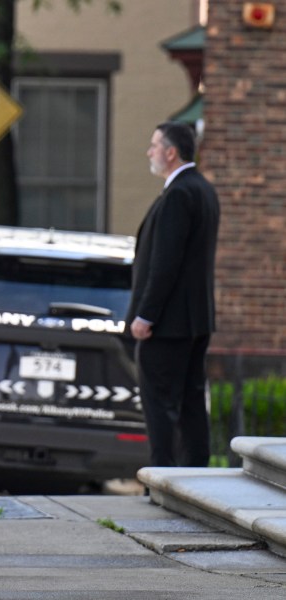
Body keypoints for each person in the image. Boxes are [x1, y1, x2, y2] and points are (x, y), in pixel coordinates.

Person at [127, 121, 220, 468]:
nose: (149, 152)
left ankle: (161, 478)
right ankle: (196, 477)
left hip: (168, 323)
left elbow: (166, 264)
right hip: (196, 319)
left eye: (154, 146)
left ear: (171, 152)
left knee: (160, 405)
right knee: (191, 401)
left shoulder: (179, 194)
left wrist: (145, 315)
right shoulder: (204, 190)